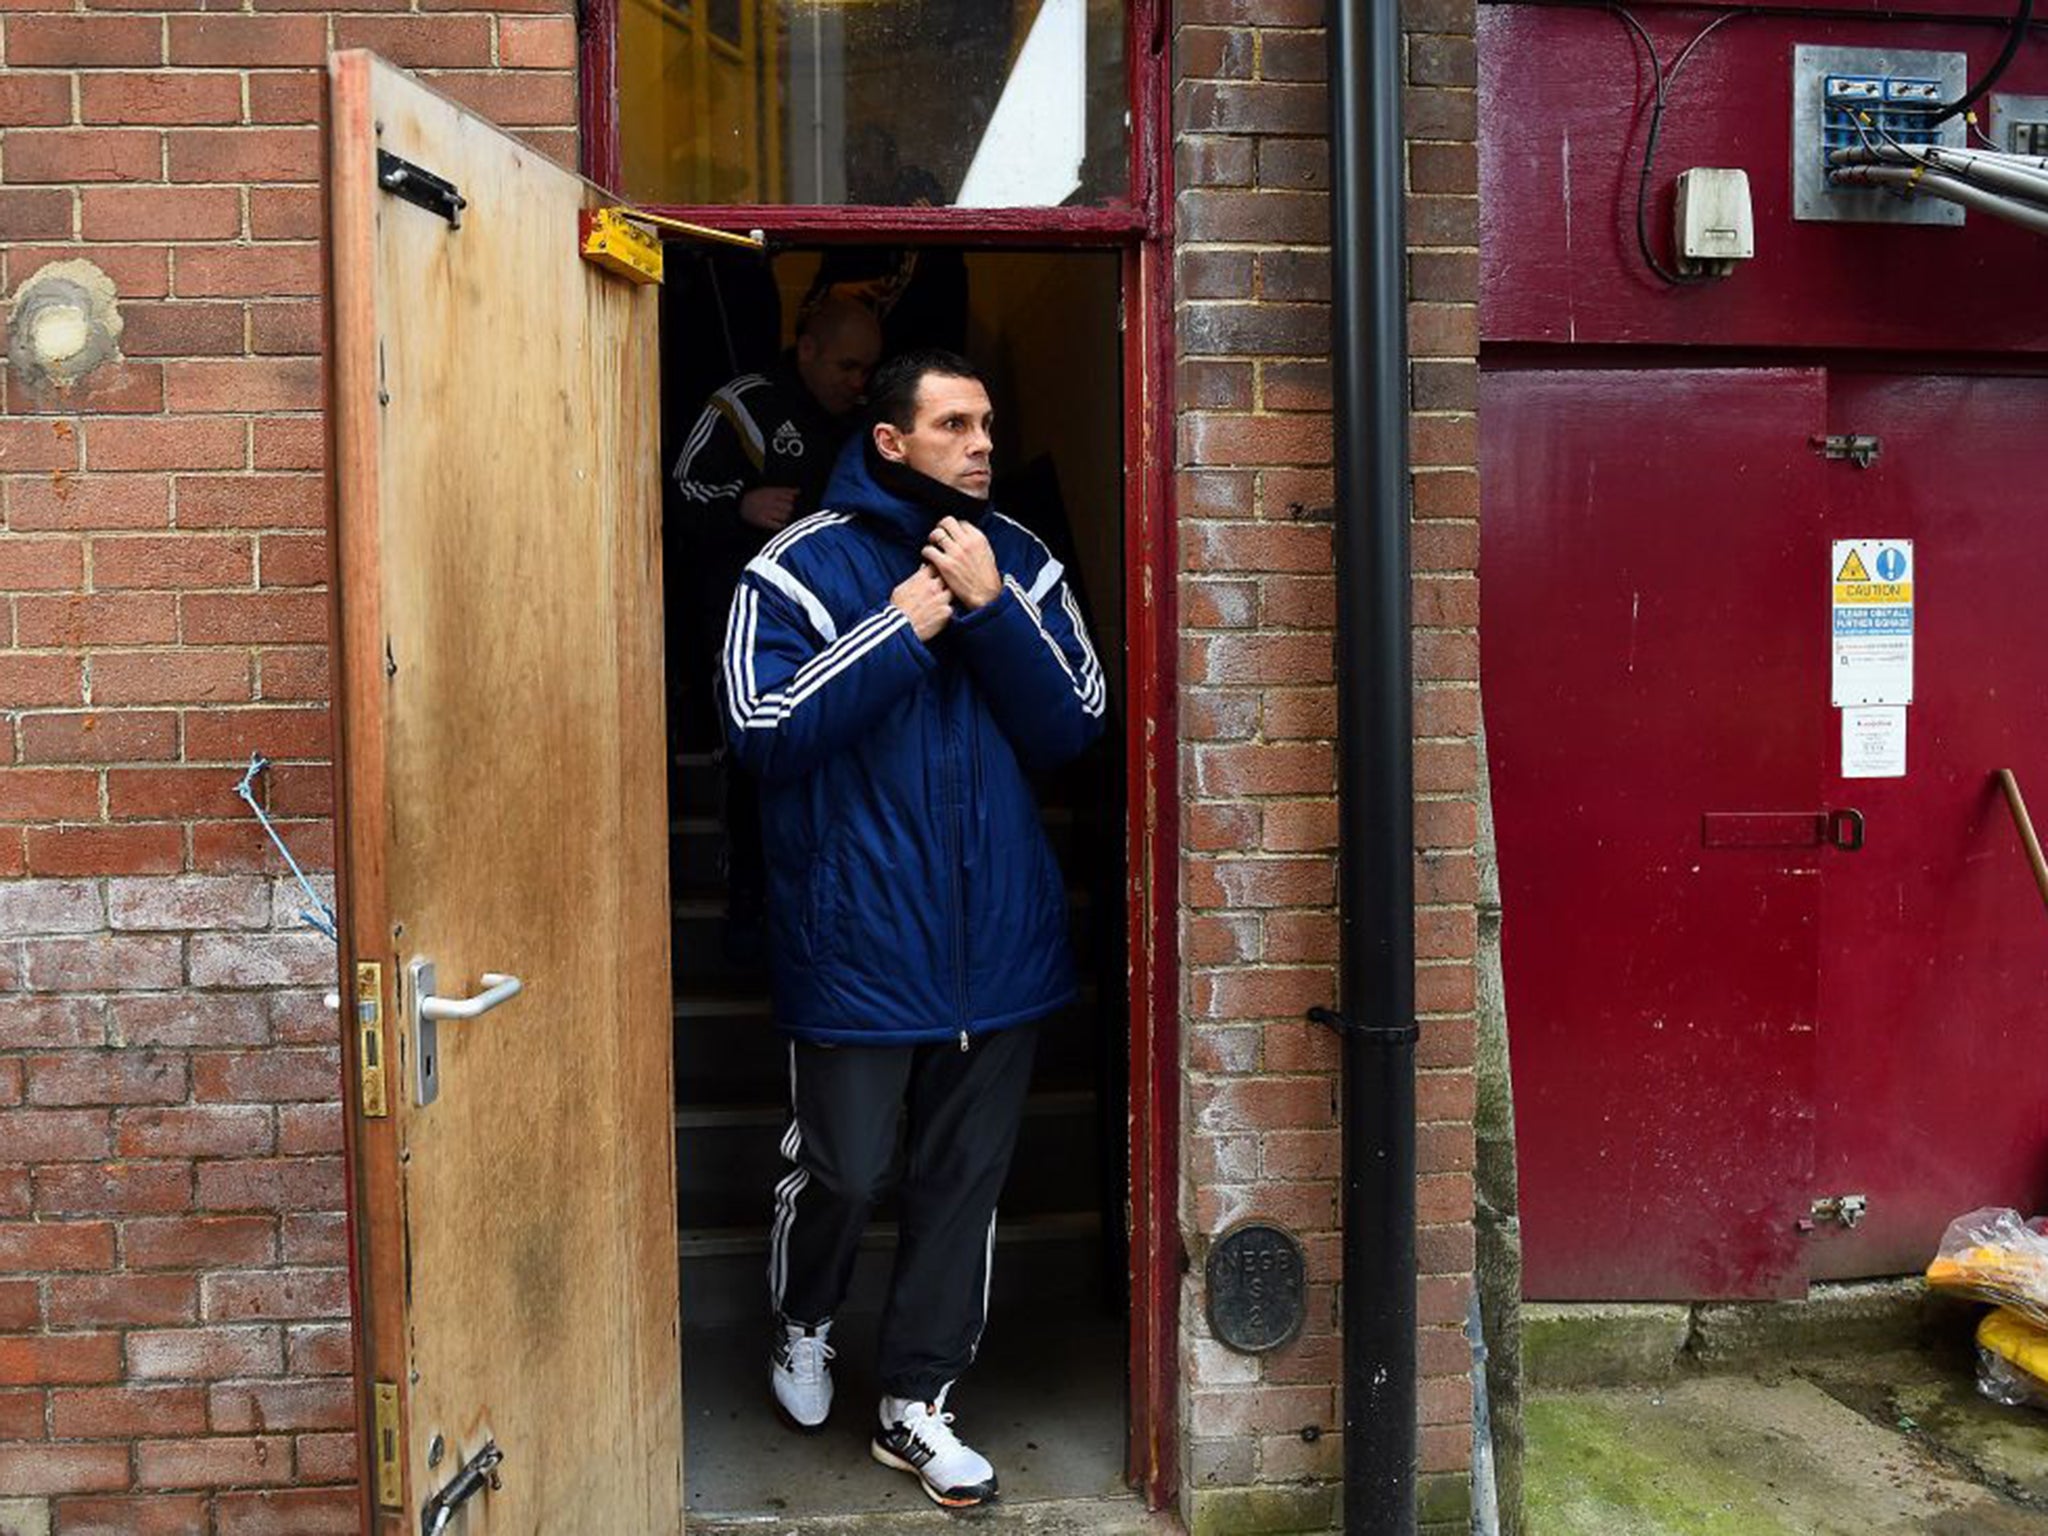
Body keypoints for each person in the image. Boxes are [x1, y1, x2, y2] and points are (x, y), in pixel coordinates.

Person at [719, 351, 1105, 1507]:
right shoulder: (796, 567)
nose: (982, 443)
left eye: (987, 422)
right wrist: (900, 626)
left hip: (1000, 945)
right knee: (843, 1168)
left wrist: (987, 610)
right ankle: (805, 1316)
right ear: (890, 442)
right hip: (856, 944)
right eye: (952, 424)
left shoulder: (1020, 562)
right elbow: (761, 727)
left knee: (960, 1186)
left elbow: (1073, 726)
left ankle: (915, 1403)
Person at [673, 297, 883, 960]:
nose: (860, 381)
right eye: (849, 365)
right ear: (808, 349)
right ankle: (748, 908)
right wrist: (740, 505)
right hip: (746, 618)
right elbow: (674, 491)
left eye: (869, 369)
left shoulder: (872, 422)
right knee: (754, 755)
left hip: (848, 622)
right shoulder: (747, 405)